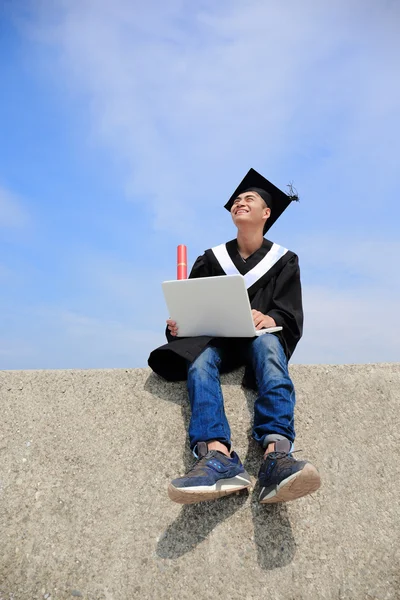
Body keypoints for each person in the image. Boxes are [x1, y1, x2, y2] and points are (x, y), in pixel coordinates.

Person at [148, 168, 321, 505]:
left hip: (260, 340)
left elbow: (289, 312)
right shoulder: (212, 259)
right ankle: (215, 456)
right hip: (219, 342)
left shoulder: (284, 260)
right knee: (198, 360)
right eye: (237, 200)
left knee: (270, 347)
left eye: (249, 199)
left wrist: (269, 316)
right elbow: (193, 304)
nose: (240, 203)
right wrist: (178, 325)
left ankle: (277, 455)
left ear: (265, 213)